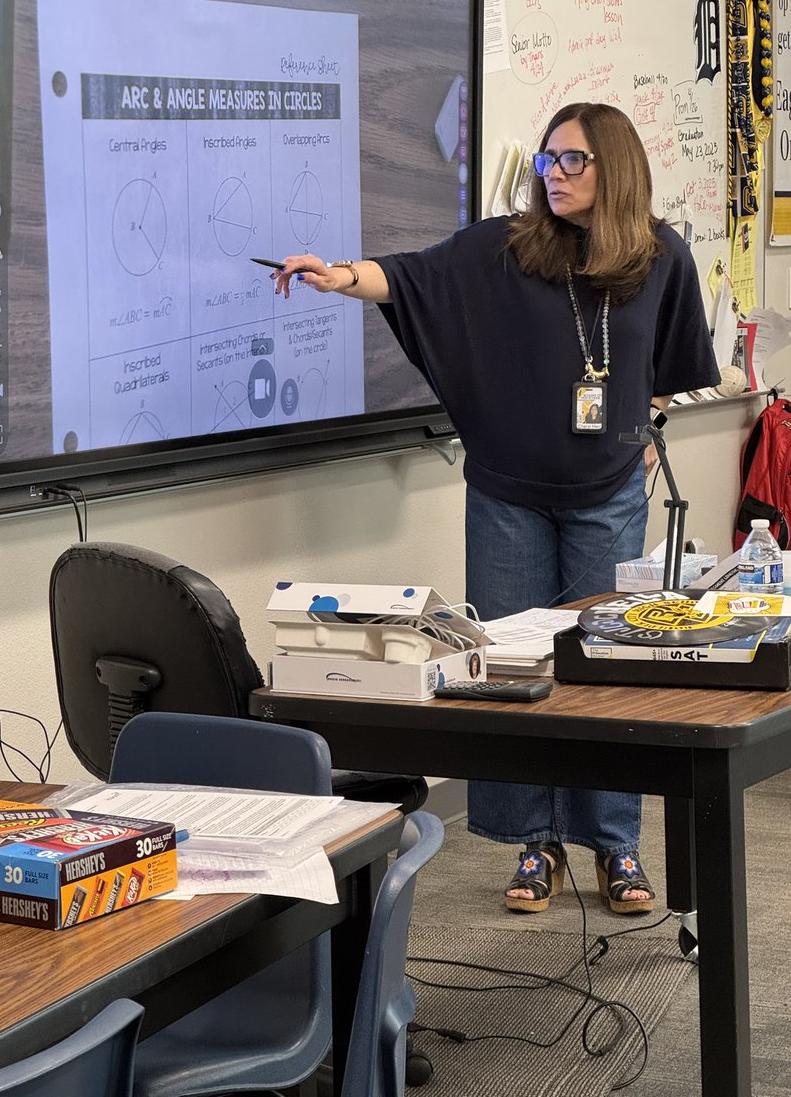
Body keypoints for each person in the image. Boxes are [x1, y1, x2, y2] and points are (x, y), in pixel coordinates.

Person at [273, 102, 720, 915]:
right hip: (508, 496)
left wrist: (641, 428)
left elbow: (674, 363)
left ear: (614, 167)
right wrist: (338, 275)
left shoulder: (661, 257)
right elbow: (409, 276)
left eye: (573, 161)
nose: (554, 174)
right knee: (512, 672)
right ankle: (534, 845)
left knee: (604, 674)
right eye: (548, 159)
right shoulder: (505, 247)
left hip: (609, 494)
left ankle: (616, 848)